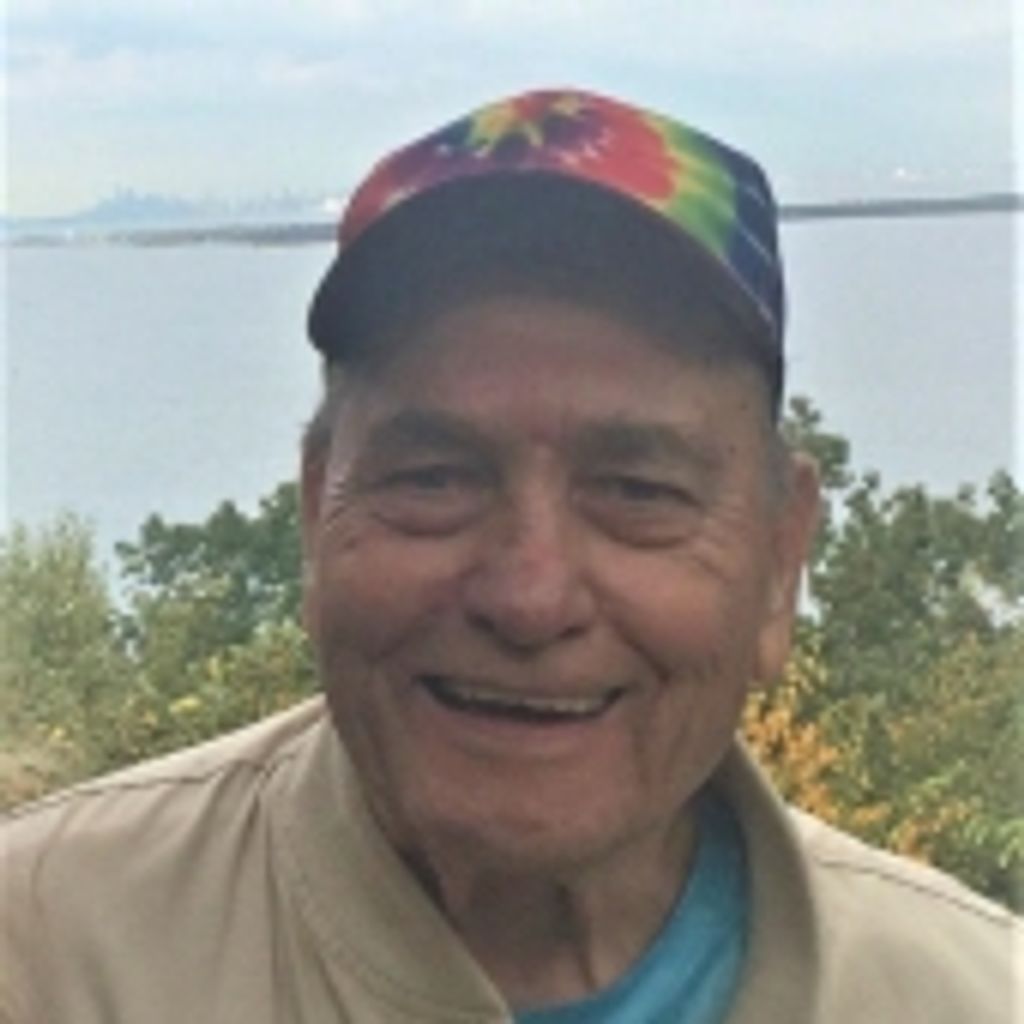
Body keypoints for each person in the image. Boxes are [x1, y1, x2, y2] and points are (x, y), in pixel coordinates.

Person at [1, 89, 1017, 1024]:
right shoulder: (48, 950)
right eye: (435, 477)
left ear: (779, 561)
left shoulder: (966, 994)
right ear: (316, 515)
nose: (530, 595)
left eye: (638, 492)